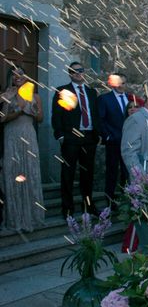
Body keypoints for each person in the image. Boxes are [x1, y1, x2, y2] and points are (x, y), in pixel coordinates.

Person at [51, 61, 101, 217]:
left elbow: (95, 114)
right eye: (76, 71)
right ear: (70, 74)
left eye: (82, 70)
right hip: (71, 137)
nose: (79, 73)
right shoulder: (62, 91)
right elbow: (57, 114)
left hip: (89, 137)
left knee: (88, 174)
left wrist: (98, 134)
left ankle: (88, 205)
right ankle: (67, 208)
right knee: (68, 173)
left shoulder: (91, 92)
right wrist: (60, 135)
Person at [0, 66, 45, 231]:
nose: (18, 77)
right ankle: (15, 217)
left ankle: (32, 216)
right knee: (13, 173)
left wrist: (34, 112)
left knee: (30, 171)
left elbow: (40, 118)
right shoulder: (8, 95)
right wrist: (17, 110)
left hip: (29, 135)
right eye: (14, 75)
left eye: (21, 73)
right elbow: (2, 118)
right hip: (12, 135)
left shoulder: (35, 96)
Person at [97, 73, 130, 210]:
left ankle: (126, 199)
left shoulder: (130, 99)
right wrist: (107, 136)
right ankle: (110, 201)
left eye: (123, 83)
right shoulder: (105, 99)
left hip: (129, 142)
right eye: (119, 83)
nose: (121, 86)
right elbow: (100, 119)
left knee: (126, 171)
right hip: (113, 141)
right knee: (112, 171)